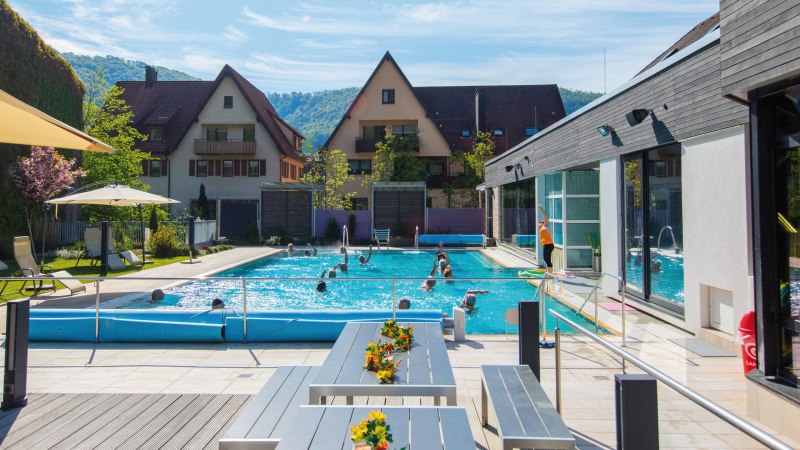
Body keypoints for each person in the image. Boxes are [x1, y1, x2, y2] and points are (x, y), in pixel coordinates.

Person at [538, 204, 555, 273]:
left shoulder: (545, 226)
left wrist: (541, 207)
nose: (538, 224)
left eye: (539, 223)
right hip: (547, 246)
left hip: (548, 245)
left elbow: (545, 215)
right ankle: (549, 273)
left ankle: (549, 274)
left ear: (543, 223)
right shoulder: (541, 228)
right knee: (547, 260)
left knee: (547, 260)